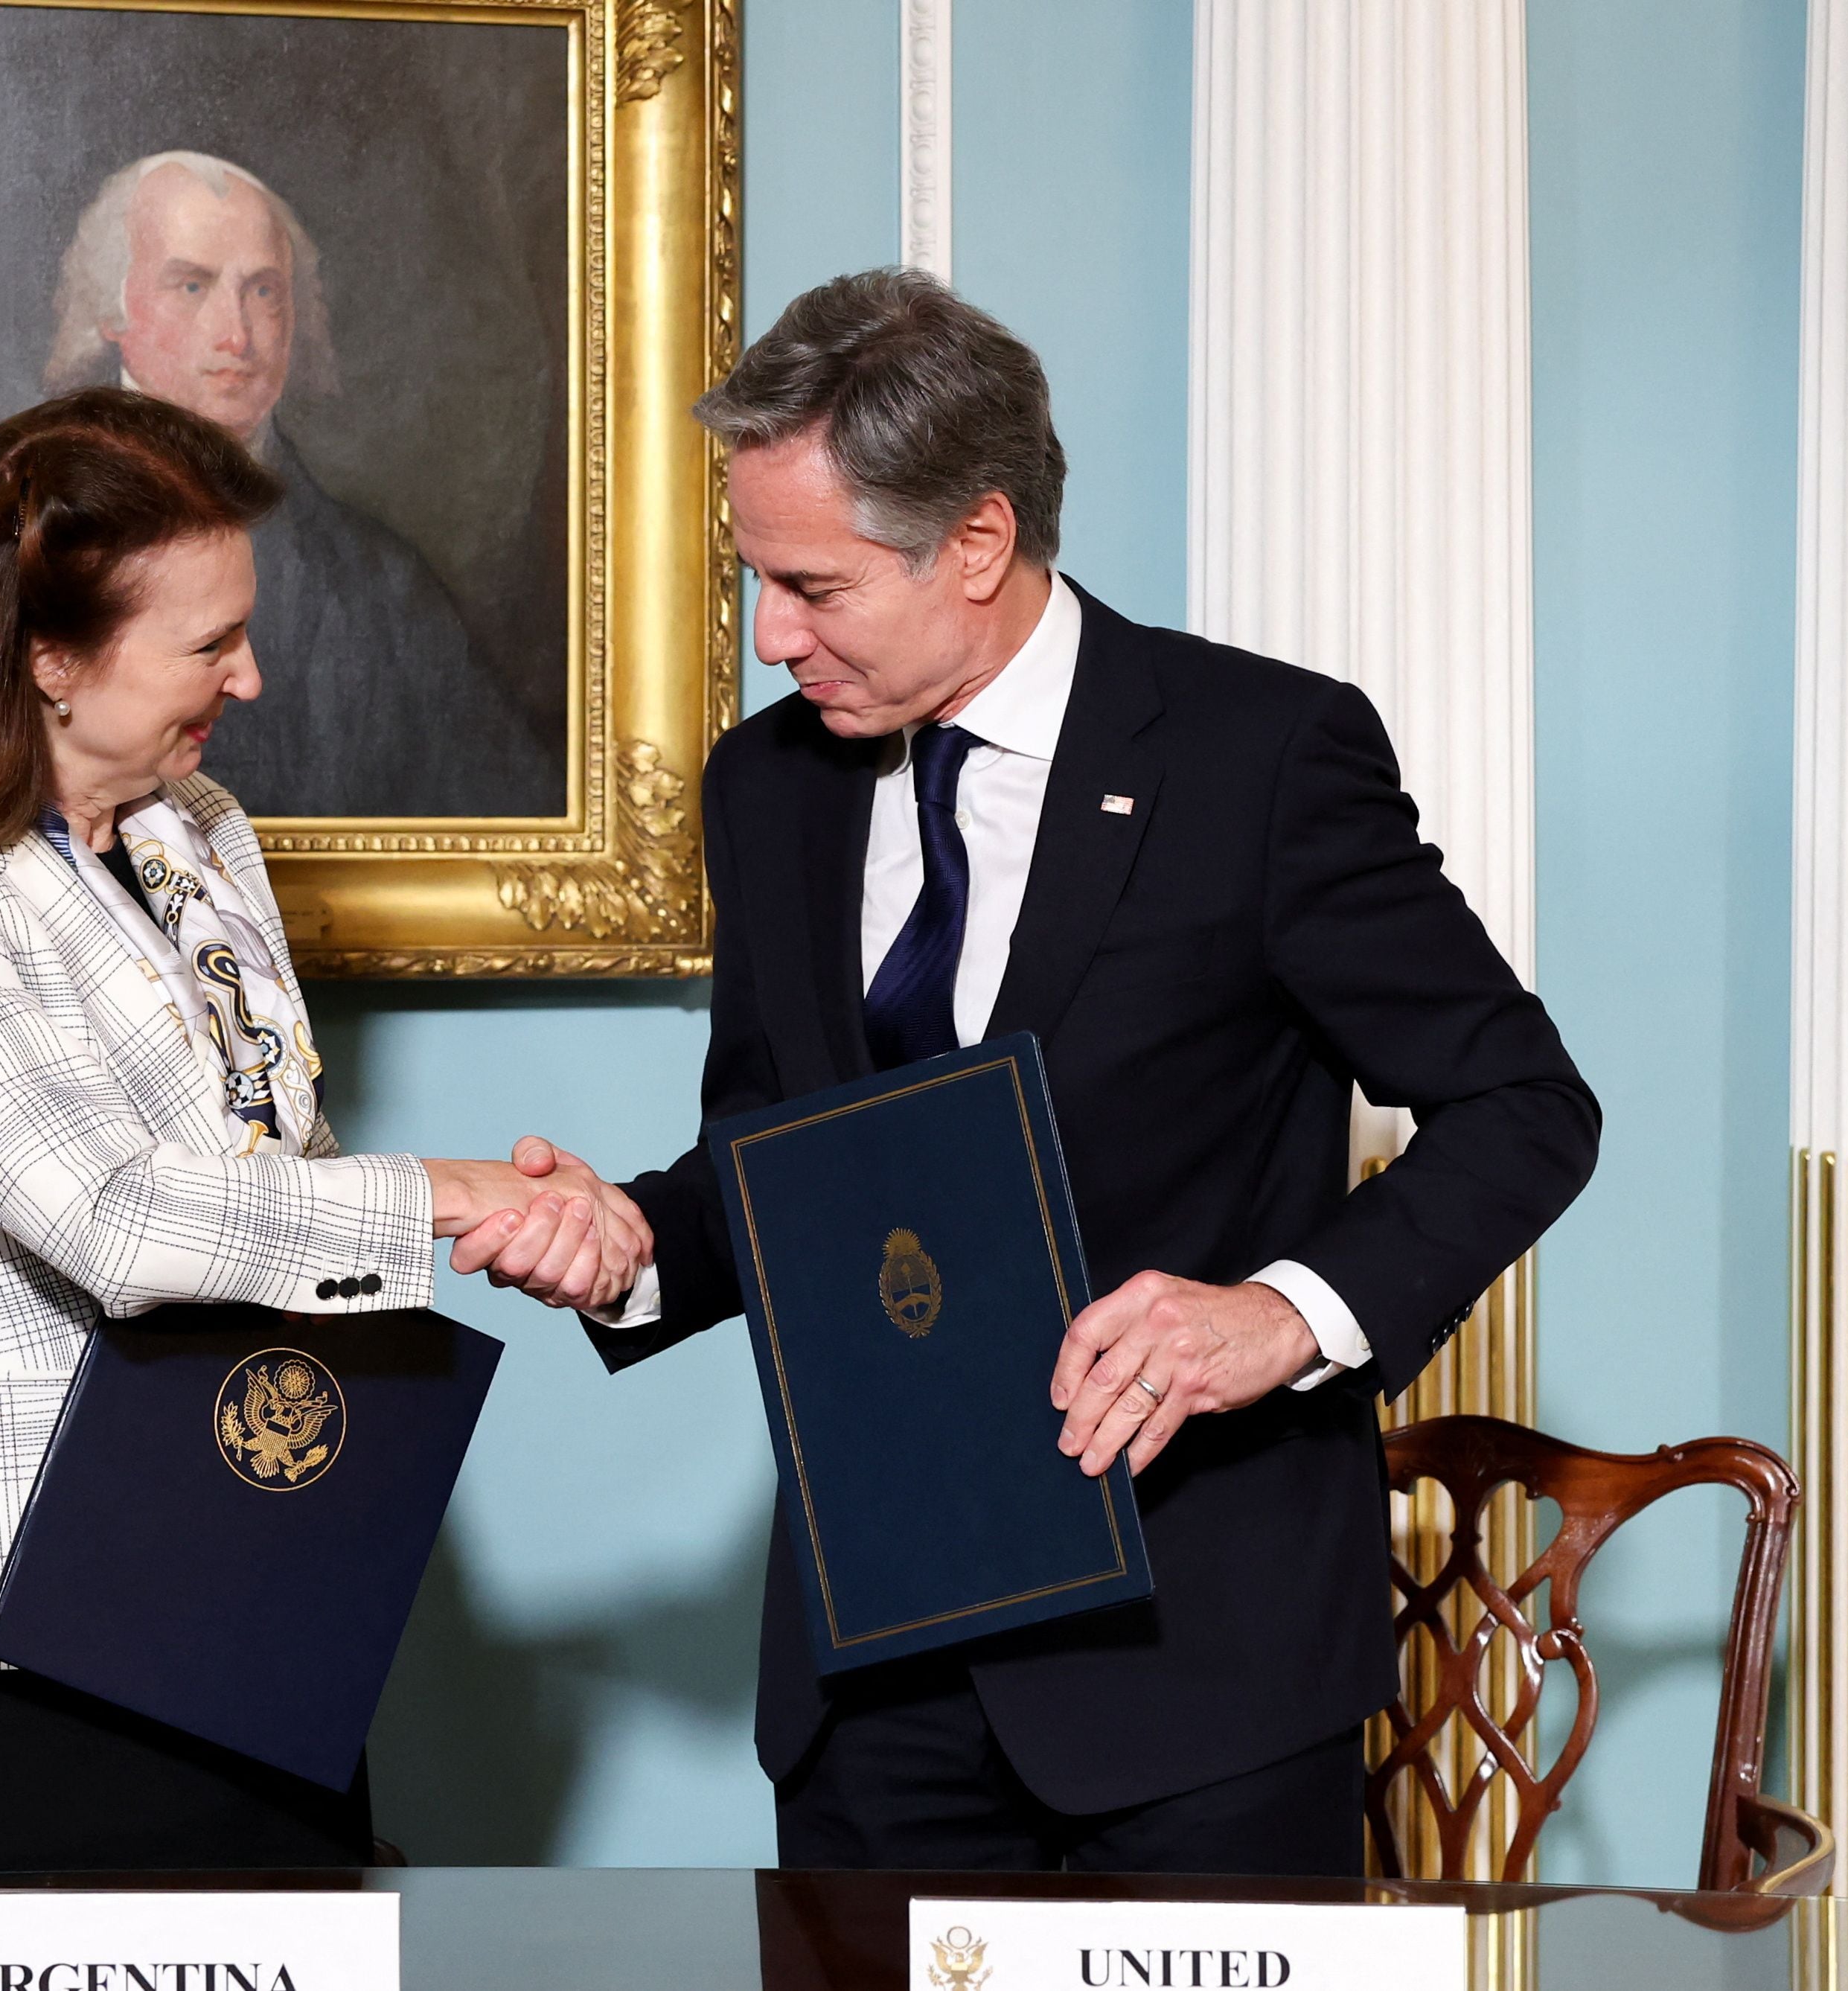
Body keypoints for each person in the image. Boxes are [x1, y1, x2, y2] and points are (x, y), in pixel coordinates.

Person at [479, 271, 1602, 1874]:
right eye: (752, 578)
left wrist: (1277, 1312)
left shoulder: (1256, 759)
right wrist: (633, 1243)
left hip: (1194, 1685)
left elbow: (1523, 1105)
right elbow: (783, 1159)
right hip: (866, 1688)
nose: (765, 634)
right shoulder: (766, 784)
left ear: (979, 545)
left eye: (810, 584)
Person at [0, 386, 642, 1874]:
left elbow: (275, 1178)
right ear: (50, 654)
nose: (247, 676)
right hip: (6, 1639)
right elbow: (112, 1223)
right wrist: (440, 1191)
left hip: (260, 1580)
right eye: (206, 643)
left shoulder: (202, 833)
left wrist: (518, 1219)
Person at [45, 150, 556, 819]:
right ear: (111, 311)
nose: (237, 336)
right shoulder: (25, 532)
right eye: (192, 286)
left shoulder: (379, 587)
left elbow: (509, 808)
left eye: (262, 291)